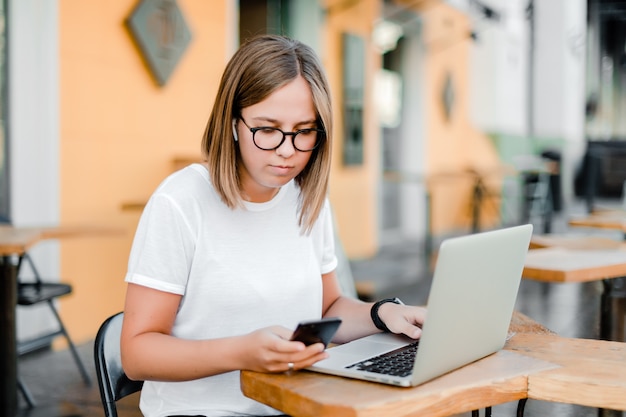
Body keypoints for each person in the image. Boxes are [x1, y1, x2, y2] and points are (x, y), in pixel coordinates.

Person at [120, 34, 426, 417]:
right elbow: (137, 353)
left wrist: (381, 314)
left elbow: (328, 306)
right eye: (267, 129)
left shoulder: (305, 199)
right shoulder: (180, 202)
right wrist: (240, 353)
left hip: (293, 404)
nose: (286, 150)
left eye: (304, 131)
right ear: (233, 123)